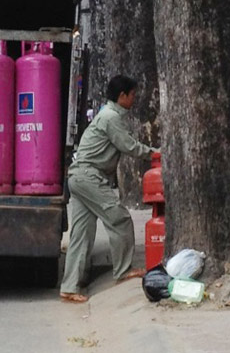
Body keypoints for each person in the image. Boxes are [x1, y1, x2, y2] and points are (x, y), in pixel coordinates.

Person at [60, 75, 158, 303]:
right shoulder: (111, 117)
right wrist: (154, 153)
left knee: (81, 234)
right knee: (120, 218)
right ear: (122, 95)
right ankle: (123, 271)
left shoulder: (107, 114)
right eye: (132, 94)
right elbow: (128, 146)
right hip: (89, 177)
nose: (134, 99)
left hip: (78, 177)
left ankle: (70, 286)